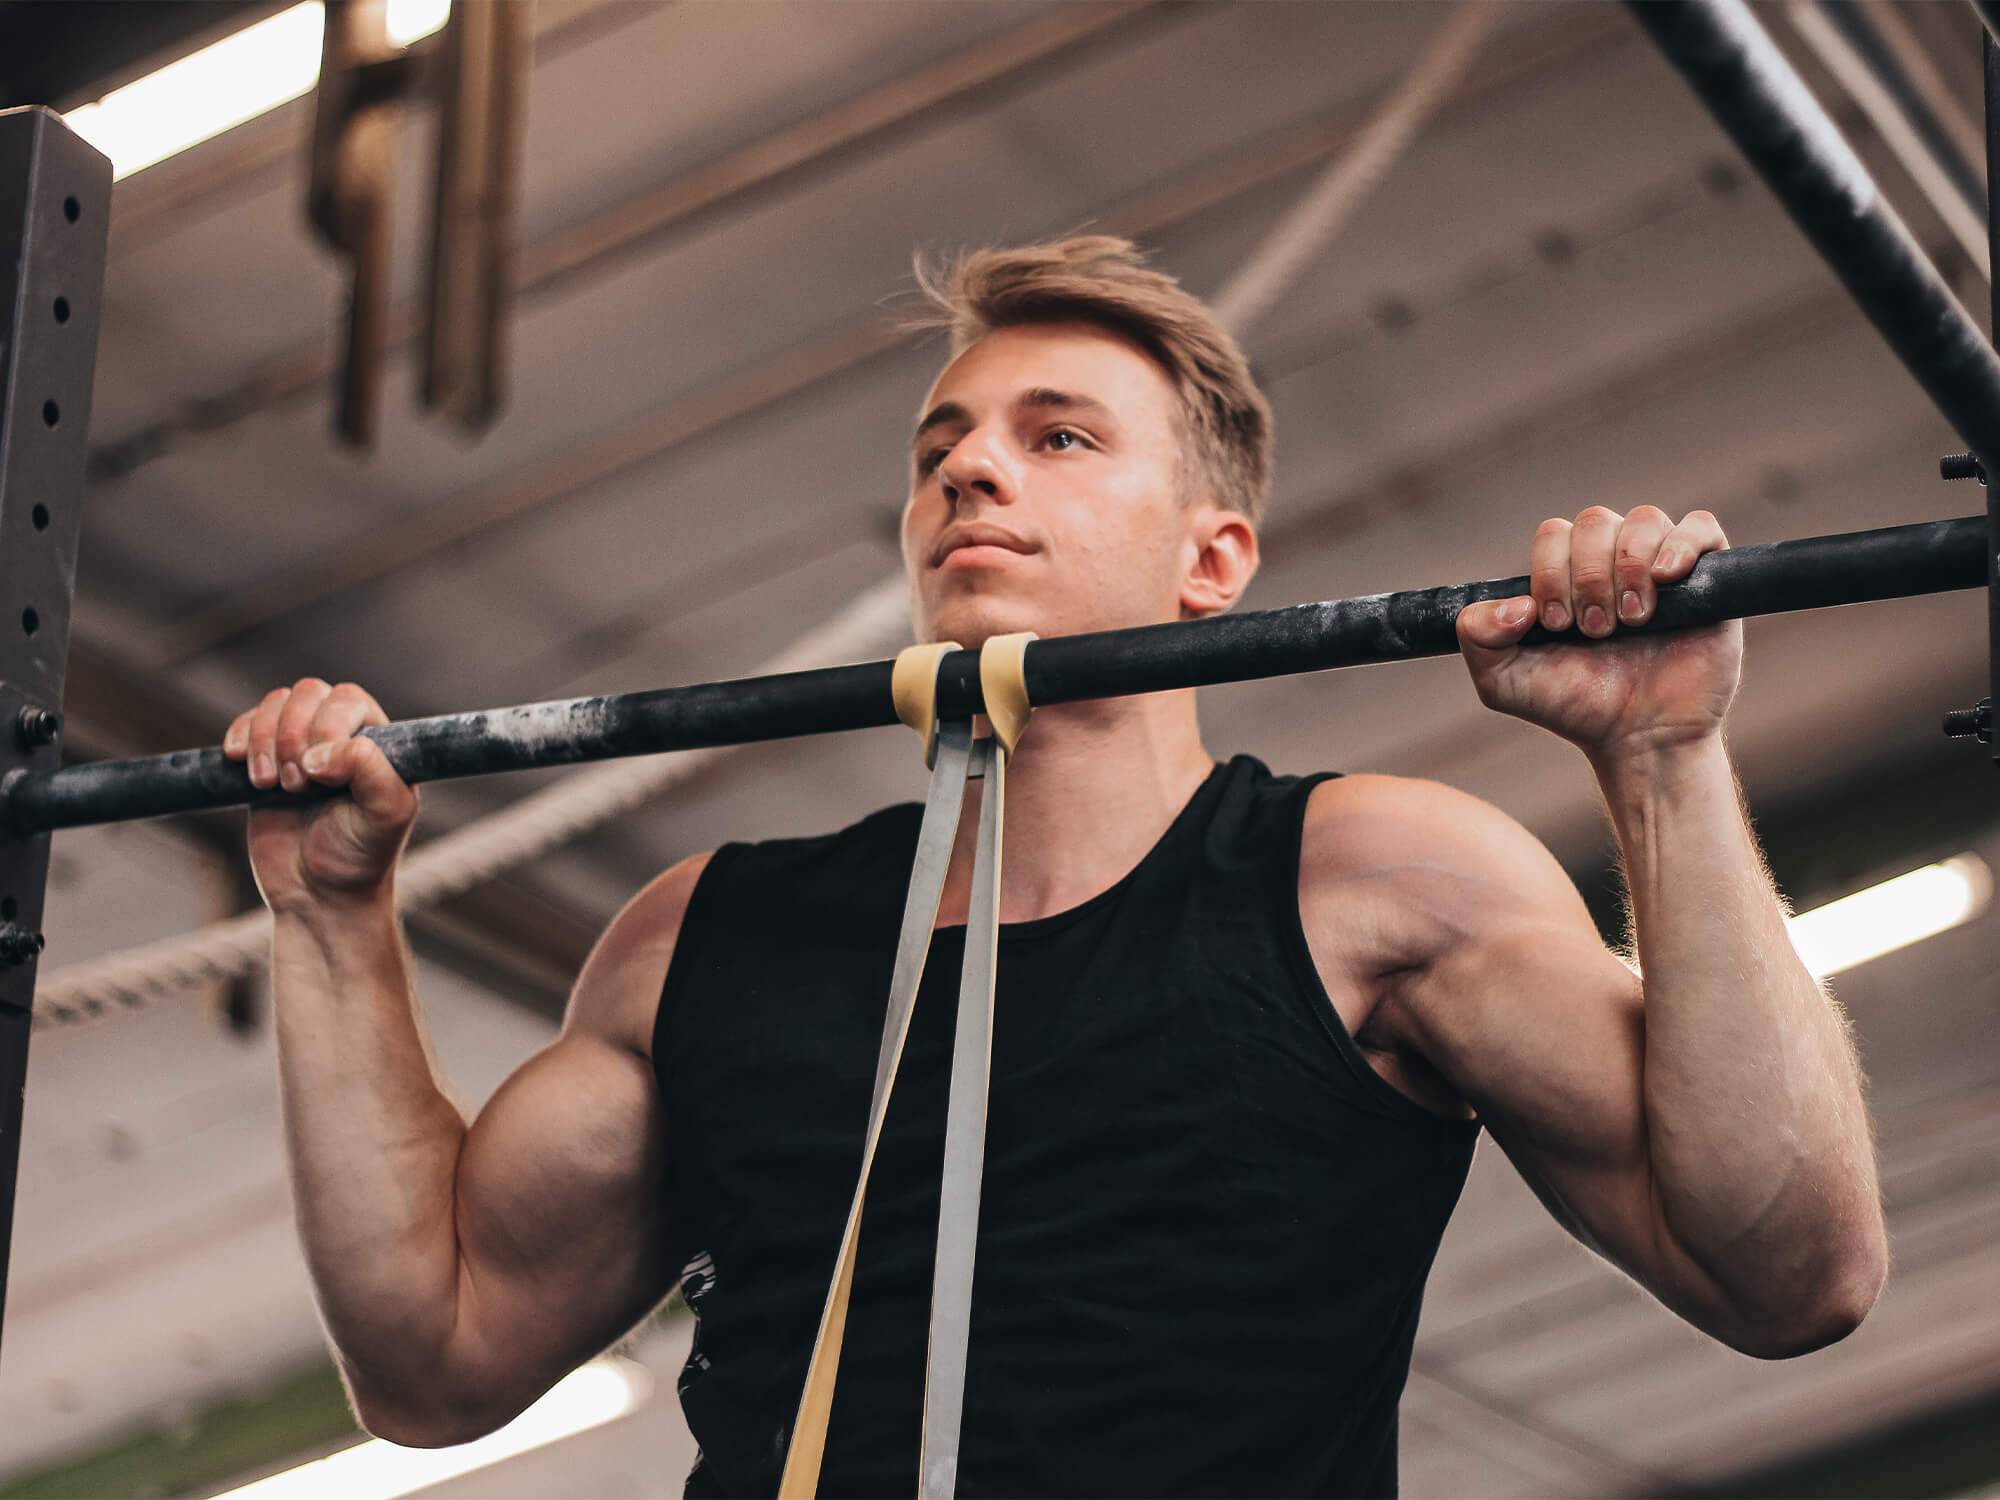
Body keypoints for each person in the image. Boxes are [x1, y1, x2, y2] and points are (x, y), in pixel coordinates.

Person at [227, 237, 1887, 1497]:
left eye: (1060, 437)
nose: (969, 467)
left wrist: (1661, 763)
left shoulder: (1371, 882)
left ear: (1210, 559)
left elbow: (1794, 1273)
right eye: (943, 443)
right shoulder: (709, 938)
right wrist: (331, 918)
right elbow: (434, 1358)